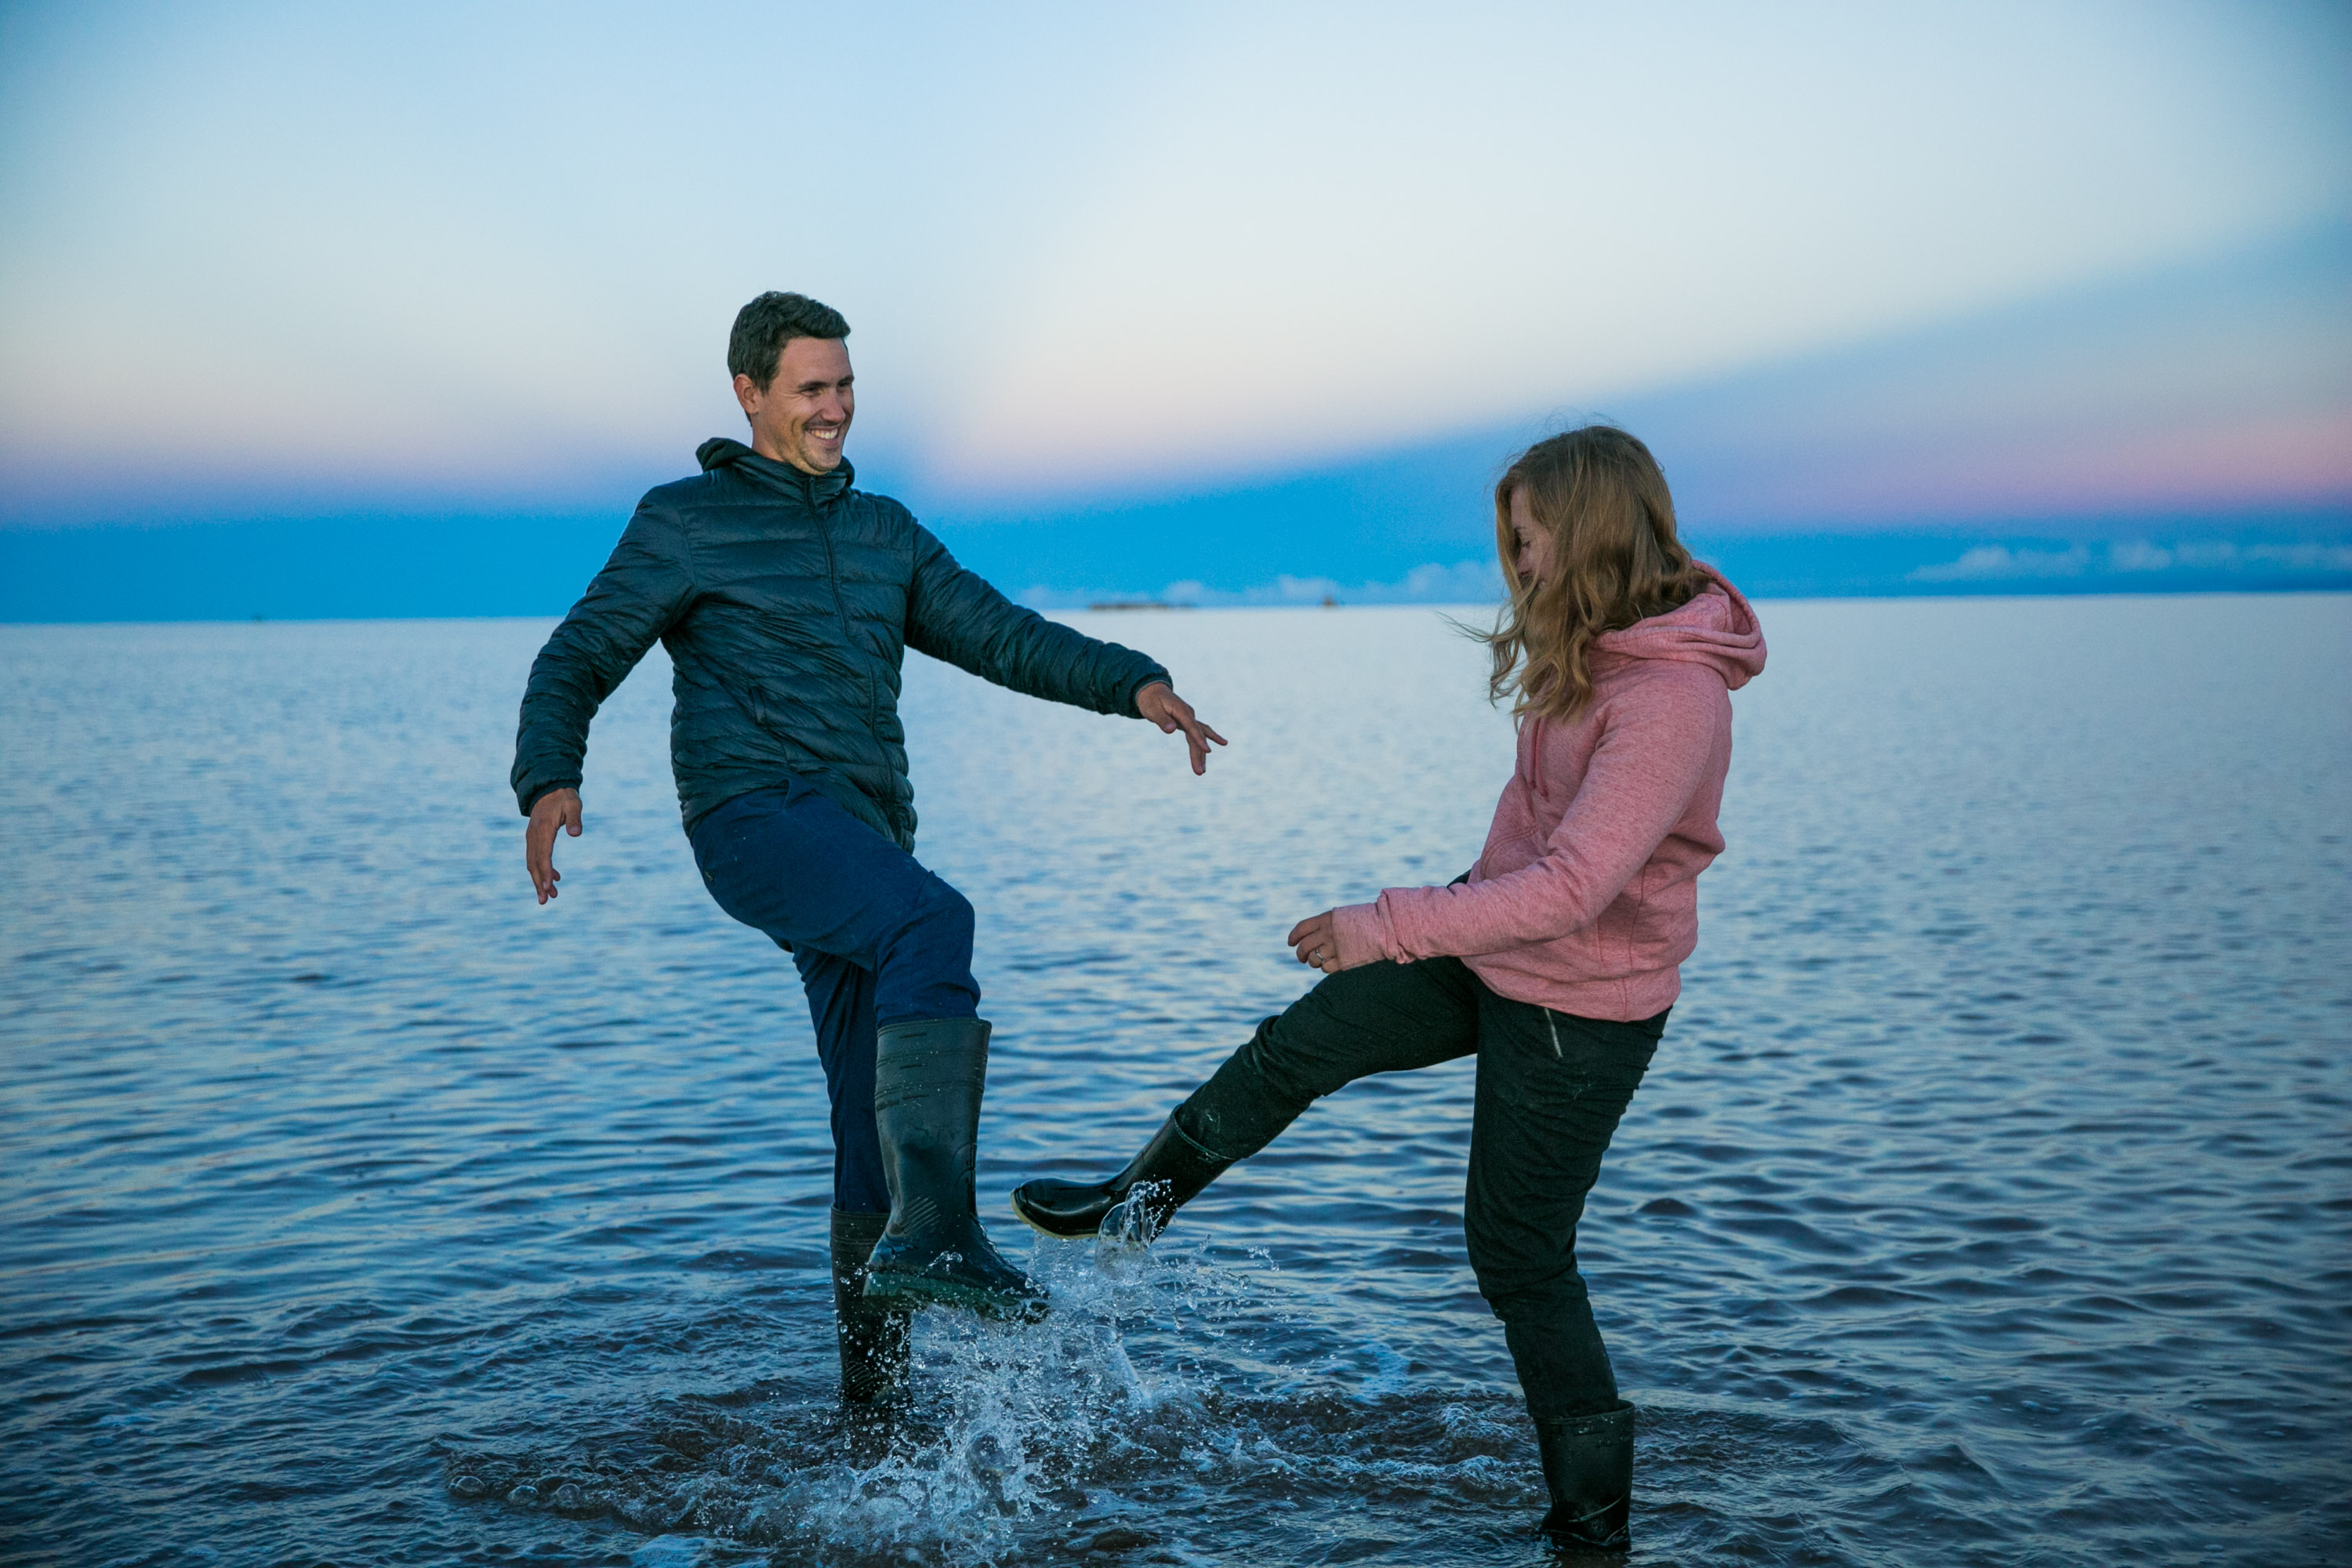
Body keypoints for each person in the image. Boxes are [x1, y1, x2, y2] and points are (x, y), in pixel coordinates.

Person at [1011, 425, 1765, 1553]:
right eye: (1510, 544)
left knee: (1517, 1252)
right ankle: (1131, 1214)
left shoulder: (1671, 701)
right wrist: (1438, 920)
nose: (1518, 568)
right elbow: (1532, 849)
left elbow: (1574, 889)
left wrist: (1388, 926)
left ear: (1593, 534)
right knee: (1300, 1045)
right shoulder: (1598, 648)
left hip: (1581, 1006)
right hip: (1497, 946)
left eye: (1530, 543)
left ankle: (1593, 1526)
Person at [510, 291, 1225, 1403]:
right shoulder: (685, 521)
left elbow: (999, 632)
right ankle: (941, 1231)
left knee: (864, 1125)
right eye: (811, 389)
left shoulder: (883, 529)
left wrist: (1131, 682)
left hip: (857, 833)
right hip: (751, 818)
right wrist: (550, 775)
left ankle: (874, 1417)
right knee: (933, 922)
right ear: (749, 393)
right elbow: (580, 653)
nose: (836, 408)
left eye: (845, 386)